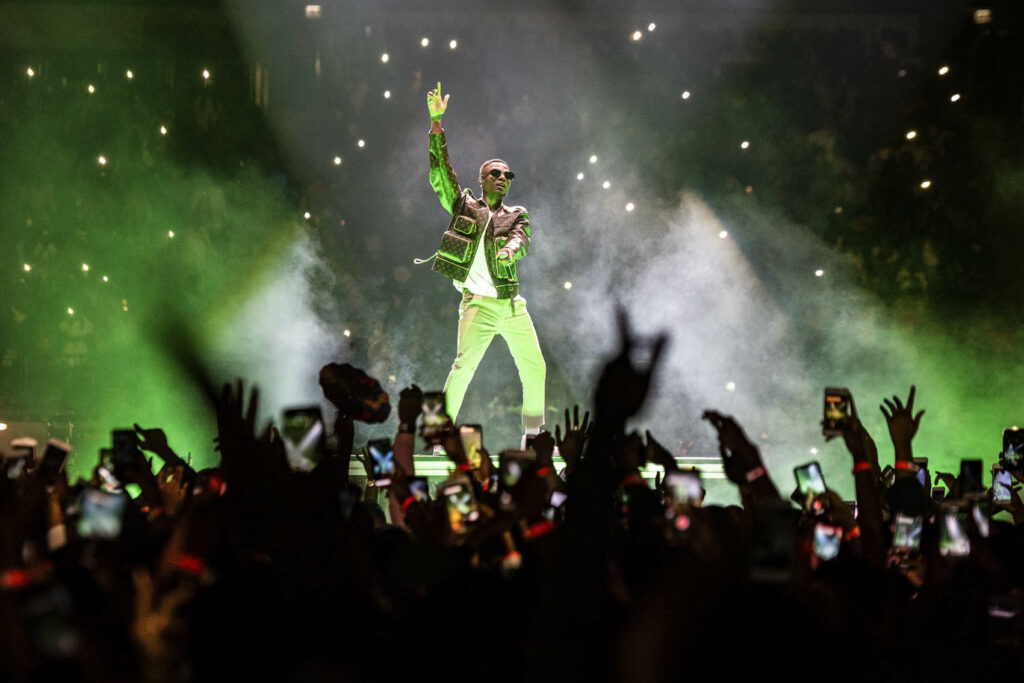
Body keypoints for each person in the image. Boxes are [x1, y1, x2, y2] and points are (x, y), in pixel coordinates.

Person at [423, 82, 546, 445]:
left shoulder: (516, 214)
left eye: (508, 175)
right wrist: (436, 126)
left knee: (535, 366)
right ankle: (436, 435)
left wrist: (510, 249)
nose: (503, 179)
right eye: (496, 173)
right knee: (462, 367)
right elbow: (440, 175)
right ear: (482, 179)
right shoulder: (465, 206)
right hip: (477, 303)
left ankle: (533, 434)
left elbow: (522, 239)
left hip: (510, 304)